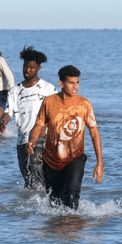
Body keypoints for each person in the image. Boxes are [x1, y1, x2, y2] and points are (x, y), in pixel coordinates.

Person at [27, 65, 103, 209]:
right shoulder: (49, 102)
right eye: (71, 83)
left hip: (75, 157)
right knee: (55, 202)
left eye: (77, 83)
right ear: (61, 83)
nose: (76, 87)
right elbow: (39, 124)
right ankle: (58, 228)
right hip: (51, 160)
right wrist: (31, 141)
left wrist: (99, 163)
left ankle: (73, 227)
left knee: (72, 194)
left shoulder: (84, 104)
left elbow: (94, 131)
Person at [1, 46, 58, 188]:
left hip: (43, 139)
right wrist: (4, 120)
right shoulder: (15, 91)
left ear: (38, 68)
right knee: (29, 180)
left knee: (37, 176)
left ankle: (44, 205)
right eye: (25, 67)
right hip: (22, 141)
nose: (27, 70)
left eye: (31, 68)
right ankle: (31, 208)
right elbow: (9, 112)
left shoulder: (48, 89)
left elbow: (57, 114)